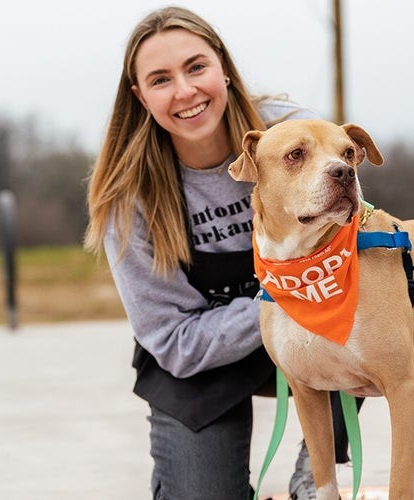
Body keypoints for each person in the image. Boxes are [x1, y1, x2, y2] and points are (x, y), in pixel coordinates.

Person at [84, 7, 356, 499]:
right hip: (199, 362)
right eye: (161, 79)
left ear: (223, 68)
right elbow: (172, 340)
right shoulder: (129, 198)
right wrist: (281, 298)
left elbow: (354, 255)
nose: (185, 91)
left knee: (360, 323)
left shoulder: (297, 135)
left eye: (196, 67)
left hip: (306, 334)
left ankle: (317, 478)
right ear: (140, 97)